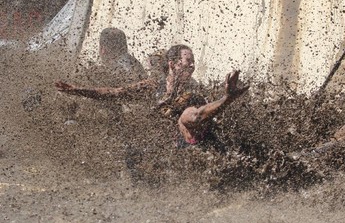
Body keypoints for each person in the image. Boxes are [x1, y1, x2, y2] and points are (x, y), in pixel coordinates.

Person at [56, 44, 250, 147]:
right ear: (172, 64)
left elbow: (197, 115)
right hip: (156, 147)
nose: (191, 66)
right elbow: (114, 93)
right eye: (187, 61)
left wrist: (228, 98)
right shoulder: (154, 85)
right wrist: (77, 90)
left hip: (186, 144)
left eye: (193, 62)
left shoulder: (193, 92)